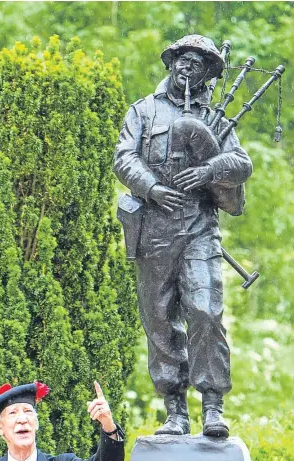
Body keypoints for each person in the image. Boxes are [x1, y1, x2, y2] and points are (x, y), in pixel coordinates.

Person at [114, 35, 253, 438]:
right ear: (171, 64)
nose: (188, 67)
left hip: (198, 229)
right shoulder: (144, 111)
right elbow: (124, 157)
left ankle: (213, 405)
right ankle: (175, 409)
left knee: (206, 309)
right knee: (159, 320)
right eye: (182, 59)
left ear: (209, 72)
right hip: (153, 231)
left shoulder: (216, 121)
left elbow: (241, 164)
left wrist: (209, 170)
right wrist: (152, 187)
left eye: (198, 62)